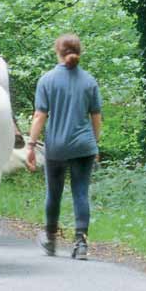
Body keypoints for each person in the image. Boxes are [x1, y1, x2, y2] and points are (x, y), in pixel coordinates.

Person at [26, 34, 102, 260]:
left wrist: (31, 144)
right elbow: (96, 117)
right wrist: (95, 145)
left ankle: (50, 239)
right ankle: (81, 244)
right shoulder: (89, 81)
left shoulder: (47, 80)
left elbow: (40, 115)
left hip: (57, 146)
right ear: (80, 51)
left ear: (57, 51)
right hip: (84, 146)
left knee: (54, 192)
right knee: (81, 193)